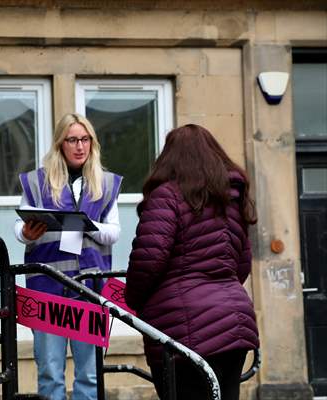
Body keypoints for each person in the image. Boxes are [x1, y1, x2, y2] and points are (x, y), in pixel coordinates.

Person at [124, 124, 259, 400]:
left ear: (169, 158)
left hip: (182, 331)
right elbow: (242, 264)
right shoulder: (230, 199)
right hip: (235, 321)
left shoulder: (166, 196)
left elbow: (148, 260)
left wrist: (134, 300)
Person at [14, 113, 122, 400]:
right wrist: (27, 233)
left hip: (89, 290)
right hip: (47, 290)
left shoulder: (106, 183)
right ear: (61, 143)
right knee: (50, 371)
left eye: (85, 139)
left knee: (89, 374)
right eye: (73, 139)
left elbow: (114, 233)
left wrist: (87, 224)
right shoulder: (37, 182)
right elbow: (19, 227)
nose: (80, 146)